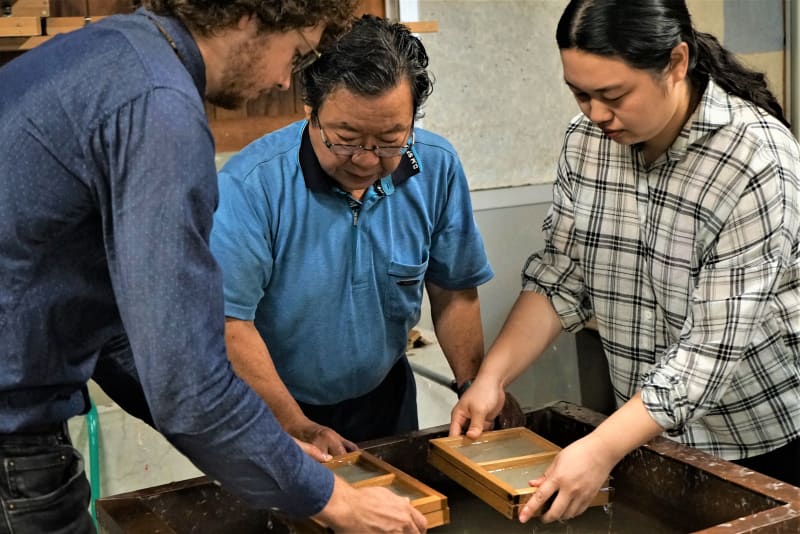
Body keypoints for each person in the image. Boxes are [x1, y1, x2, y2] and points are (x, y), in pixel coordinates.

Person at [0, 1, 428, 533]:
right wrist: (333, 500)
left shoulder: (117, 56)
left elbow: (120, 338)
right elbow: (188, 383)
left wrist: (270, 450)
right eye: (294, 52)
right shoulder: (159, 106)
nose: (280, 81)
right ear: (252, 17)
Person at [450, 0, 800, 525]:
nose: (594, 113)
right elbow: (560, 277)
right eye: (579, 93)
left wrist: (599, 447)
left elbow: (709, 353)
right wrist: (491, 378)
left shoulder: (755, 160)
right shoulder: (586, 142)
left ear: (677, 63)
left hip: (757, 443)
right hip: (644, 434)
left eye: (613, 95)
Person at [210, 15, 510, 458]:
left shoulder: (436, 167)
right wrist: (297, 426)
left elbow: (453, 288)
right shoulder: (251, 186)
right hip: (275, 407)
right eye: (346, 138)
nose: (367, 160)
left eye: (391, 139)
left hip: (386, 396)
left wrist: (474, 383)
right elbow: (231, 325)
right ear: (310, 108)